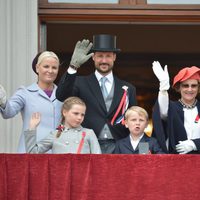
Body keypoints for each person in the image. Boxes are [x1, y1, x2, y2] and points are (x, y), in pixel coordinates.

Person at [56, 34, 137, 153]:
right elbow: (61, 96)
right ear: (93, 57)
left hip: (119, 146)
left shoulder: (128, 88)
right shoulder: (80, 82)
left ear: (114, 57)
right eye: (100, 56)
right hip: (86, 144)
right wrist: (73, 66)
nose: (104, 60)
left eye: (108, 56)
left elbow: (135, 119)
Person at [0, 51, 63, 152]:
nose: (50, 71)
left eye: (54, 68)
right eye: (46, 66)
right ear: (37, 68)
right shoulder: (25, 92)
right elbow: (8, 112)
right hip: (30, 151)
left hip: (57, 152)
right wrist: (3, 102)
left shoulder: (63, 94)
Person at [152, 61, 200, 154]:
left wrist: (195, 144)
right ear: (179, 88)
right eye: (185, 85)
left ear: (198, 88)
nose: (190, 89)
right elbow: (162, 112)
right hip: (176, 162)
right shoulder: (172, 107)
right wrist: (163, 89)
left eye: (194, 86)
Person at [24, 96, 101, 154]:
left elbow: (98, 160)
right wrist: (32, 128)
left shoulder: (89, 133)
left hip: (83, 174)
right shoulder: (55, 133)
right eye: (76, 113)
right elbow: (32, 152)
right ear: (65, 112)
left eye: (82, 115)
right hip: (60, 174)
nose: (79, 117)